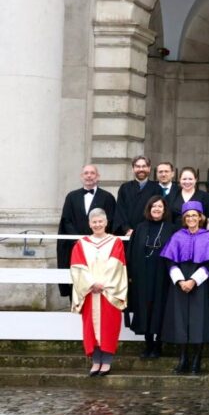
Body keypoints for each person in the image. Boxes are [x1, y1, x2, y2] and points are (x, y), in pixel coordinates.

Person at [160, 201, 209, 375]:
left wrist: (193, 280)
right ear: (184, 218)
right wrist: (180, 281)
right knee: (181, 320)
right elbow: (170, 260)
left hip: (199, 281)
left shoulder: (208, 236)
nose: (192, 218)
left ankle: (196, 360)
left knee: (198, 321)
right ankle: (183, 358)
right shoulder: (178, 236)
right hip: (179, 280)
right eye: (188, 216)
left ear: (200, 217)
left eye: (195, 215)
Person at [70, 208, 128, 376]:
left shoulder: (115, 242)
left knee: (109, 326)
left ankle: (107, 361)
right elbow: (77, 266)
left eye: (100, 221)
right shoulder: (81, 244)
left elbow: (117, 265)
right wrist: (91, 283)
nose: (97, 224)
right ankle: (96, 361)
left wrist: (103, 283)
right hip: (90, 292)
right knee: (90, 328)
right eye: (94, 222)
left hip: (108, 292)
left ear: (106, 222)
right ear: (89, 224)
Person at [58, 164, 117, 298]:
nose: (89, 176)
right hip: (77, 247)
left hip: (100, 249)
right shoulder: (71, 197)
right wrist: (80, 241)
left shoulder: (107, 197)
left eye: (92, 173)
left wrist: (96, 240)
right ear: (81, 176)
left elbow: (111, 221)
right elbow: (66, 221)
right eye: (86, 173)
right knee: (78, 279)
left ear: (98, 177)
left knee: (99, 279)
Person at [125, 196, 173, 359]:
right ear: (149, 209)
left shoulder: (171, 228)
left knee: (160, 308)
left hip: (162, 276)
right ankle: (148, 343)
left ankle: (158, 344)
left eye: (160, 207)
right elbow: (131, 253)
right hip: (142, 276)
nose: (157, 209)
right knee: (145, 308)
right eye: (154, 206)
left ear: (165, 210)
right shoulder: (140, 228)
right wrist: (131, 275)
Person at [113, 155, 163, 236]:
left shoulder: (157, 188)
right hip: (127, 234)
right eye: (138, 166)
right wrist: (126, 229)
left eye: (144, 166)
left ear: (149, 168)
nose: (141, 169)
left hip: (148, 234)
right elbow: (120, 211)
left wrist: (144, 230)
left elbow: (157, 212)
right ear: (133, 169)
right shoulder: (124, 188)